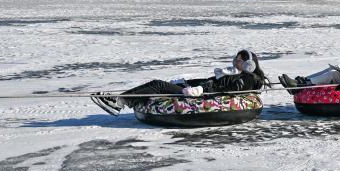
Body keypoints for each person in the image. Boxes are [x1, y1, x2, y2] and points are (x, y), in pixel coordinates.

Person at [90, 50, 267, 115]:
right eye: (235, 59)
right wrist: (189, 83)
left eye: (238, 60)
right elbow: (217, 83)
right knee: (157, 85)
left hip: (200, 96)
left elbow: (227, 90)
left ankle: (119, 102)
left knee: (158, 85)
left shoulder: (248, 78)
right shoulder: (237, 75)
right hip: (196, 90)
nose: (234, 62)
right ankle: (121, 100)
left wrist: (202, 88)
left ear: (248, 64)